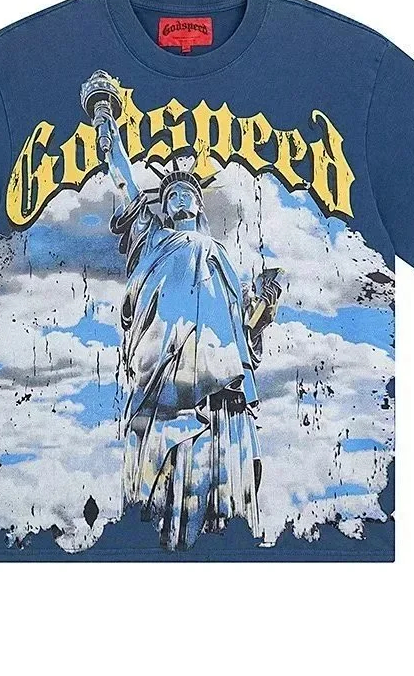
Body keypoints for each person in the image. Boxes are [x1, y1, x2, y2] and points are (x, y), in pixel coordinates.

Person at [94, 102, 281, 550]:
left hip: (219, 384)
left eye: (186, 194)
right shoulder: (153, 238)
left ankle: (218, 530)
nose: (177, 199)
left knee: (217, 466)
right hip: (161, 368)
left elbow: (243, 329)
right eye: (170, 195)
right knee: (159, 451)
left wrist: (263, 308)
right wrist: (106, 125)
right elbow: (123, 180)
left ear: (198, 203)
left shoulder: (219, 256)